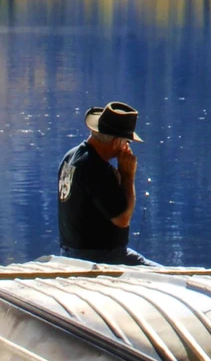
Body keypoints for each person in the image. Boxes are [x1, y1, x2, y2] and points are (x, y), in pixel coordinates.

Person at [57, 101, 151, 265]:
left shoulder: (71, 156)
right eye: (126, 141)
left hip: (69, 253)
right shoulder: (96, 168)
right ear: (116, 142)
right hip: (99, 257)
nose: (127, 147)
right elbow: (122, 219)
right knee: (169, 279)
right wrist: (127, 175)